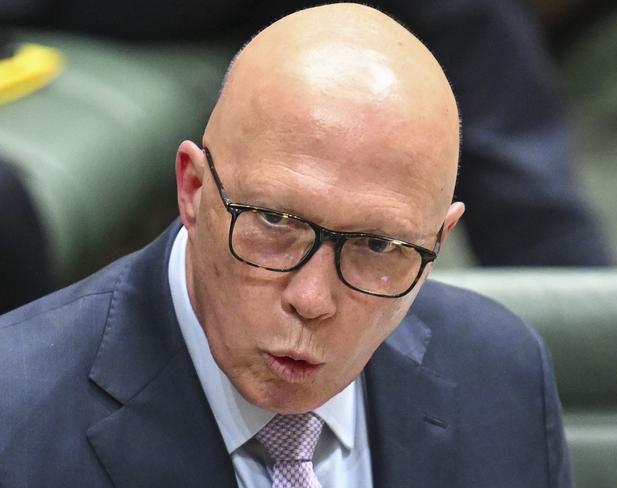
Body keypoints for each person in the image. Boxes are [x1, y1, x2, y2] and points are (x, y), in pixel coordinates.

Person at [0, 4, 573, 487]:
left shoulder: (505, 375)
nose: (313, 297)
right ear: (193, 189)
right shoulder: (15, 421)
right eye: (275, 220)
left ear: (439, 239)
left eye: (378, 244)